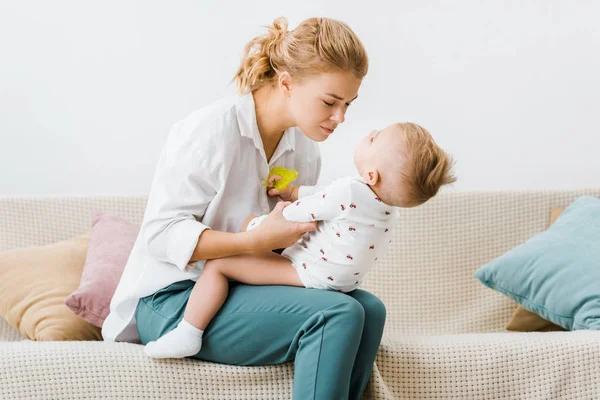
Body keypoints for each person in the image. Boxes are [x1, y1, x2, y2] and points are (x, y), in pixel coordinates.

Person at [102, 16, 387, 399]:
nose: (341, 118)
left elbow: (287, 243)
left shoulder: (304, 151)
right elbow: (159, 235)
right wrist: (254, 241)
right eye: (330, 102)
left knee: (370, 310)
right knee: (338, 313)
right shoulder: (210, 131)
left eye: (348, 104)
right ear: (286, 83)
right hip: (173, 301)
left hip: (243, 286)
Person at [143, 121, 456, 359]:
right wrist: (293, 190)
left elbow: (296, 216)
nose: (369, 133)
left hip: (303, 274)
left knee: (220, 264)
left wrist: (257, 225)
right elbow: (323, 197)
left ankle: (188, 332)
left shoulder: (350, 190)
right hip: (338, 285)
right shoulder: (386, 212)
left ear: (372, 175)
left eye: (374, 138)